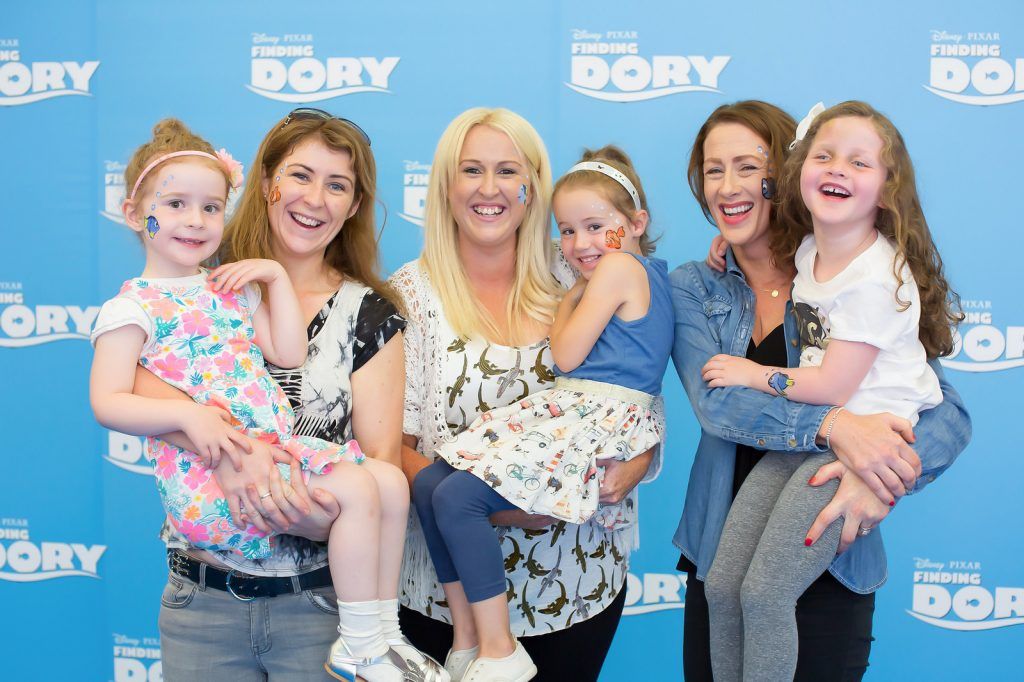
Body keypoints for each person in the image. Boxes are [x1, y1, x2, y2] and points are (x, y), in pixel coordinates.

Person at [109, 114, 444, 681]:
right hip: (205, 598)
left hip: (315, 604)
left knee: (382, 482)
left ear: (354, 204)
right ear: (266, 183)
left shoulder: (370, 315)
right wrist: (234, 453)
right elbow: (131, 384)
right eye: (301, 175)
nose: (315, 199)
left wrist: (316, 518)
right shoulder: (197, 281)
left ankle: (373, 638)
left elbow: (380, 463)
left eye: (337, 185)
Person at [670, 100, 971, 681]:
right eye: (713, 170)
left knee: (769, 599)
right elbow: (718, 403)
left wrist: (878, 476)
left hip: (833, 547)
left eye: (746, 166)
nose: (728, 186)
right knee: (737, 600)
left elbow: (947, 414)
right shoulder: (699, 286)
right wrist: (837, 426)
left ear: (782, 175)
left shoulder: (849, 265)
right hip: (724, 541)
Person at [392, 108, 662, 682]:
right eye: (471, 170)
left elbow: (638, 394)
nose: (489, 189)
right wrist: (499, 507)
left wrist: (635, 466)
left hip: (576, 586)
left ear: (532, 185)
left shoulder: (582, 274)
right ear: (445, 184)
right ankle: (481, 639)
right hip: (443, 606)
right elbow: (390, 443)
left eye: (506, 170)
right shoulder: (408, 296)